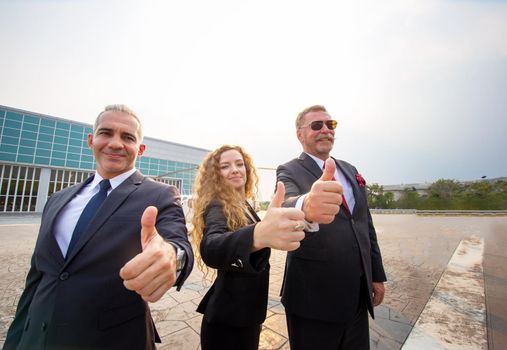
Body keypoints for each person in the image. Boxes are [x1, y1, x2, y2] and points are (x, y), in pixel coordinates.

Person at [3, 104, 193, 350]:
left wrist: (171, 257)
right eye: (106, 133)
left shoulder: (160, 195)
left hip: (112, 340)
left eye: (128, 137)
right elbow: (37, 277)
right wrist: (15, 340)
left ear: (141, 149)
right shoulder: (57, 200)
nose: (116, 143)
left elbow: (177, 243)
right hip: (35, 339)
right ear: (91, 140)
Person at [276, 105, 387, 350]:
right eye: (317, 125)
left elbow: (365, 225)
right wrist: (306, 205)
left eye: (330, 124)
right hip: (313, 301)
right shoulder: (289, 170)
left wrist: (376, 275)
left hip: (357, 297)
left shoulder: (350, 170)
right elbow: (286, 202)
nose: (325, 130)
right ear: (300, 134)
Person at [191, 145, 305, 350]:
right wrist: (257, 234)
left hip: (247, 313)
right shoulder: (217, 205)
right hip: (228, 321)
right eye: (225, 166)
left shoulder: (243, 203)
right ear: (216, 176)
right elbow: (211, 247)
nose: (235, 169)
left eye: (239, 164)